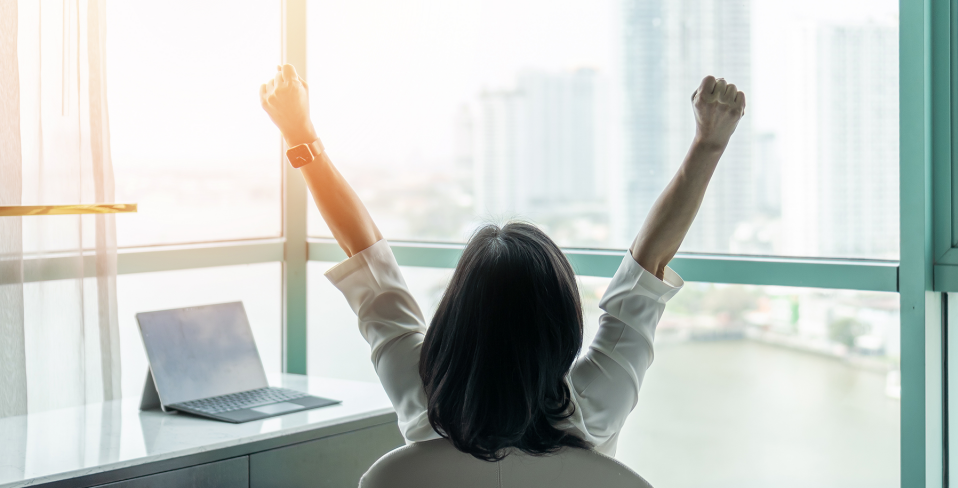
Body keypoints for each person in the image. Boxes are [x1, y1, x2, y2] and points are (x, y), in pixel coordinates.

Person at [260, 65, 744, 461]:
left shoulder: (420, 394)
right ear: (560, 325)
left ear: (455, 314)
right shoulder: (597, 406)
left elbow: (364, 254)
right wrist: (708, 144)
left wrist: (299, 132)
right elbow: (646, 268)